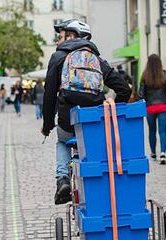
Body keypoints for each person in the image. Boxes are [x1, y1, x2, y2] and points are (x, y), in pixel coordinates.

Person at [42, 19, 131, 205]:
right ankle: (101, 189)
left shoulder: (58, 58)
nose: (58, 41)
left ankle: (63, 180)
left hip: (68, 119)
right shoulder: (97, 60)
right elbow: (124, 89)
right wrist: (110, 109)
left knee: (62, 142)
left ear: (72, 36)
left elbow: (49, 95)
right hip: (93, 121)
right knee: (95, 147)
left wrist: (48, 125)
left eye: (60, 37)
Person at [138, 54, 166, 165]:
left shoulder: (145, 76)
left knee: (152, 131)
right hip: (164, 107)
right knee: (162, 131)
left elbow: (140, 94)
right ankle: (162, 153)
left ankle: (153, 153)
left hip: (150, 108)